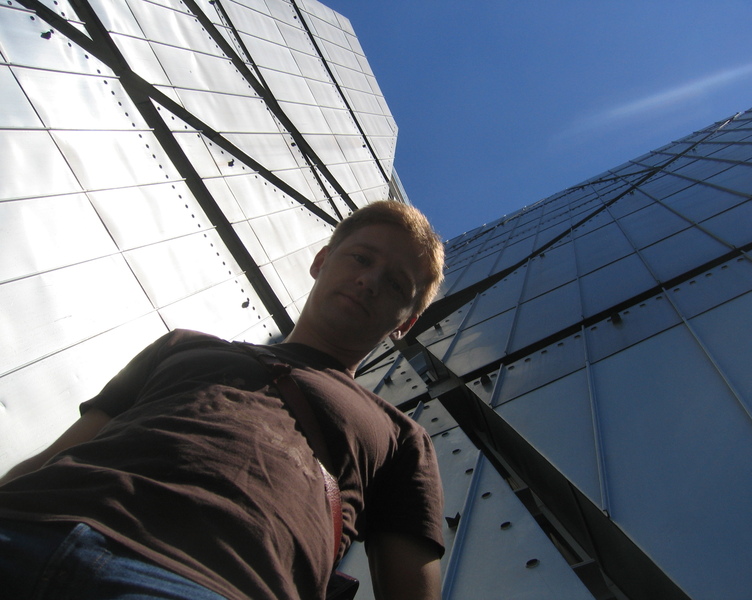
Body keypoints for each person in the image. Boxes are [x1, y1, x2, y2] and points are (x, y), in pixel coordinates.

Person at [0, 200, 446, 600]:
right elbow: (57, 453)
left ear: (405, 323)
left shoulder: (402, 437)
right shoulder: (181, 344)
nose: (369, 280)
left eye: (395, 284)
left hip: (212, 582)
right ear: (321, 261)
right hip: (26, 523)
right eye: (361, 258)